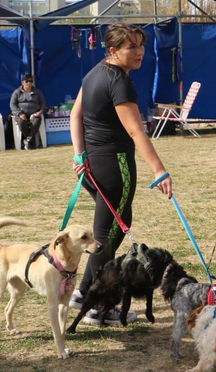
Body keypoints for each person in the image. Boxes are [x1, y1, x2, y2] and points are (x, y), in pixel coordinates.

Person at [68, 23, 173, 325]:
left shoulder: (94, 73)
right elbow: (135, 130)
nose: (139, 51)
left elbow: (75, 114)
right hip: (114, 167)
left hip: (93, 166)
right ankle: (97, 306)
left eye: (141, 45)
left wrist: (80, 153)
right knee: (108, 236)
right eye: (131, 46)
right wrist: (160, 170)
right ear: (113, 50)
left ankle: (84, 293)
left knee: (107, 232)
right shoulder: (118, 81)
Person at [9, 74, 46, 150]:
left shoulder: (38, 92)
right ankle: (30, 140)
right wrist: (20, 113)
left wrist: (40, 112)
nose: (29, 83)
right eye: (27, 81)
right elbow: (12, 104)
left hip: (34, 113)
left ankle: (28, 139)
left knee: (37, 121)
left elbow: (43, 104)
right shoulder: (17, 92)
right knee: (21, 122)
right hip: (21, 113)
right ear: (22, 82)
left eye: (31, 81)